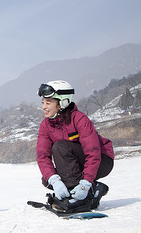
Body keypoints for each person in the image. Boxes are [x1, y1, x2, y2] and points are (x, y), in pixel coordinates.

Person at [36, 80, 114, 213]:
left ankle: (81, 198)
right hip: (76, 163)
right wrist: (54, 180)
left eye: (48, 103)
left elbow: (93, 153)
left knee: (60, 147)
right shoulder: (46, 125)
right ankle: (93, 189)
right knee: (47, 179)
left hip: (101, 160)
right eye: (43, 102)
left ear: (62, 103)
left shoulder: (79, 119)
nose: (44, 106)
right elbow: (43, 156)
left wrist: (85, 184)